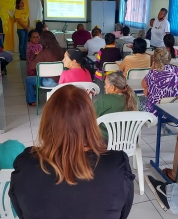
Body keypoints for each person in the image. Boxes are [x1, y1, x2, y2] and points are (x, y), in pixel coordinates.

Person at [9, 85, 135, 219]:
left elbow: (21, 212)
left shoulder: (25, 165)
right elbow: (123, 214)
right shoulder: (117, 164)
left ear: (47, 122)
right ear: (90, 121)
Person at [94, 72, 139, 139]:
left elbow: (90, 117)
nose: (104, 86)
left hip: (107, 141)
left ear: (113, 88)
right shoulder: (134, 97)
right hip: (130, 141)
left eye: (106, 84)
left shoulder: (104, 100)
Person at [140, 48, 178, 115]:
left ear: (154, 59)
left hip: (156, 111)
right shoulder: (176, 69)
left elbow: (143, 84)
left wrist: (151, 69)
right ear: (169, 58)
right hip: (175, 110)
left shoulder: (154, 72)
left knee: (139, 100)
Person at [26, 31, 64, 106]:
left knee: (28, 80)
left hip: (48, 82)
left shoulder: (43, 53)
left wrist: (34, 55)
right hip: (61, 80)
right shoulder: (61, 50)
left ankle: (33, 101)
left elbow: (31, 66)